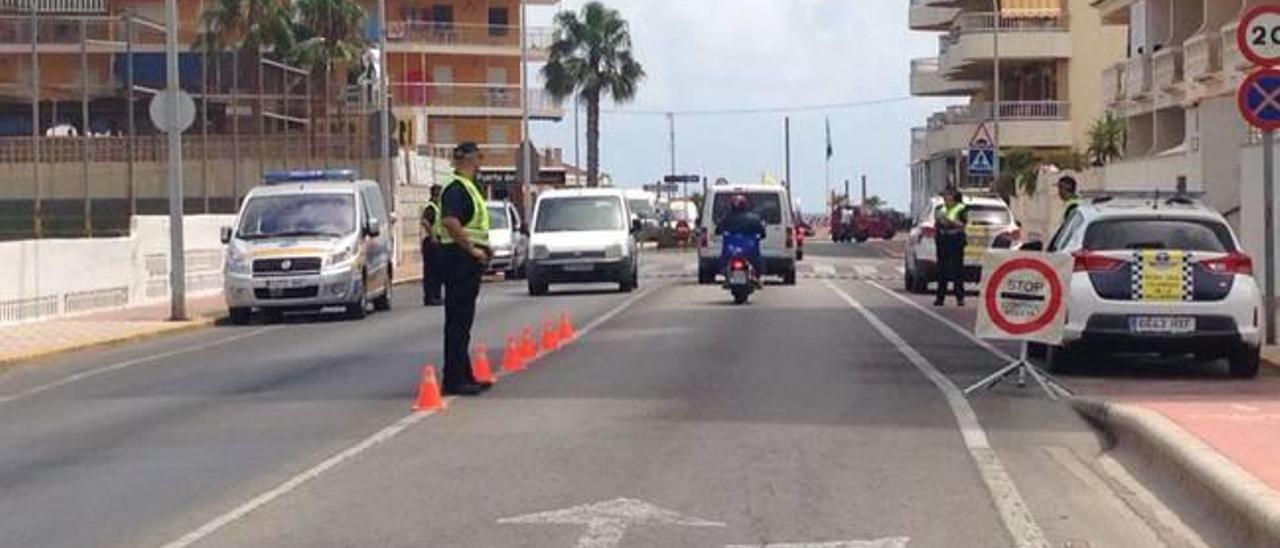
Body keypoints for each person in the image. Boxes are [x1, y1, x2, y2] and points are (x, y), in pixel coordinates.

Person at [434, 142, 492, 396]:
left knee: (462, 321)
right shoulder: (457, 188)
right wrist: (472, 249)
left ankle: (464, 374)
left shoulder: (468, 187)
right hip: (459, 259)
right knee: (458, 321)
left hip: (464, 259)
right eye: (479, 156)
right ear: (470, 159)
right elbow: (449, 221)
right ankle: (453, 379)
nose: (481, 161)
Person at [715, 194, 767, 277]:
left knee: (723, 261)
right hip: (749, 252)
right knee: (758, 262)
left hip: (732, 251)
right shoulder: (754, 218)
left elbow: (718, 230)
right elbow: (763, 233)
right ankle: (757, 277)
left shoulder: (727, 218)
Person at [934, 187, 968, 307]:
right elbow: (936, 224)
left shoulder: (961, 208)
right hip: (943, 239)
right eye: (945, 195)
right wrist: (941, 223)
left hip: (956, 239)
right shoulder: (939, 208)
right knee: (941, 270)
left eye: (948, 195)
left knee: (957, 270)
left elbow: (963, 225)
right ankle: (940, 297)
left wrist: (951, 221)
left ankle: (960, 297)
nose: (946, 197)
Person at [420, 184, 444, 306]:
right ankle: (431, 297)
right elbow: (425, 221)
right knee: (432, 271)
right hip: (431, 242)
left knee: (439, 270)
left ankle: (436, 295)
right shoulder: (431, 208)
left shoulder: (437, 207)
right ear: (436, 195)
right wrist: (433, 236)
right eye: (440, 194)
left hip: (437, 241)